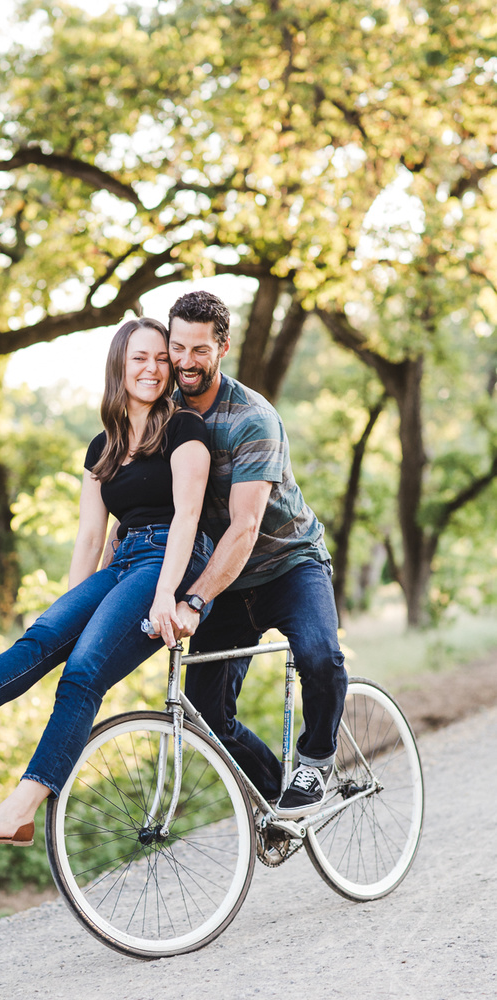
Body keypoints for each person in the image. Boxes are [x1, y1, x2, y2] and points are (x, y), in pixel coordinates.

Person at [0, 317, 213, 846]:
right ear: (119, 368)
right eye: (139, 359)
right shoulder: (102, 447)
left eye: (160, 358)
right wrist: (70, 613)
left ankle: (18, 810)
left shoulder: (184, 429)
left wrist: (165, 595)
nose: (152, 368)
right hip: (123, 561)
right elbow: (89, 537)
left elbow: (188, 515)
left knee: (83, 673)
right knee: (43, 637)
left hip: (170, 561)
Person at [167, 290, 348, 819]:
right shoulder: (166, 412)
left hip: (288, 564)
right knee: (203, 708)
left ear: (222, 347)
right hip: (228, 580)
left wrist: (195, 600)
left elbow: (245, 527)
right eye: (178, 347)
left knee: (319, 655)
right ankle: (276, 798)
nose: (186, 361)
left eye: (199, 350)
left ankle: (316, 756)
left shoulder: (253, 418)